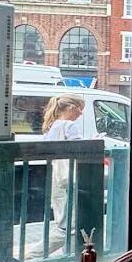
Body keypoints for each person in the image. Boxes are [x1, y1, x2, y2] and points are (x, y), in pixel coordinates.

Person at [41, 96, 84, 240]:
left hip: (57, 175)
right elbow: (80, 149)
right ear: (71, 108)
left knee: (62, 222)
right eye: (80, 109)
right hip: (70, 175)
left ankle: (68, 251)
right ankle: (36, 253)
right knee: (68, 227)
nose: (81, 113)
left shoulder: (51, 126)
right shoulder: (69, 125)